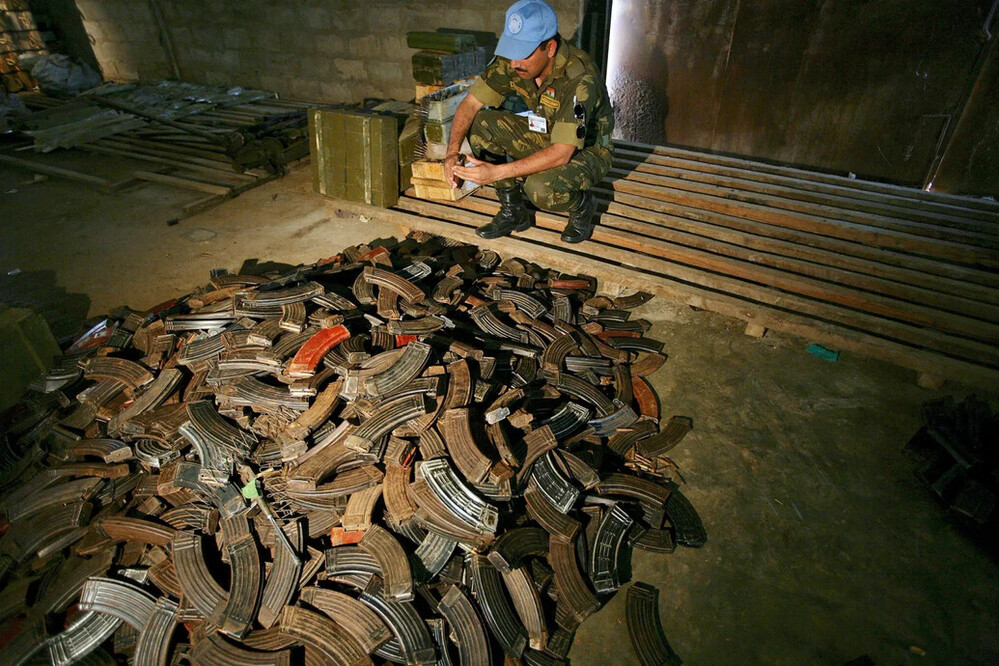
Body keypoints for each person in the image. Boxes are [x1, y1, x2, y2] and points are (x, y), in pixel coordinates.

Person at [445, 0, 614, 243]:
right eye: (512, 51)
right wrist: (451, 154)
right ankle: (513, 211)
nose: (515, 64)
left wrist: (495, 173)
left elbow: (563, 153)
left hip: (589, 149)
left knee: (539, 188)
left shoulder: (579, 77)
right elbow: (470, 105)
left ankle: (583, 205)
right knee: (482, 124)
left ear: (551, 48)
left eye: (523, 54)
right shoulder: (516, 62)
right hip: (550, 133)